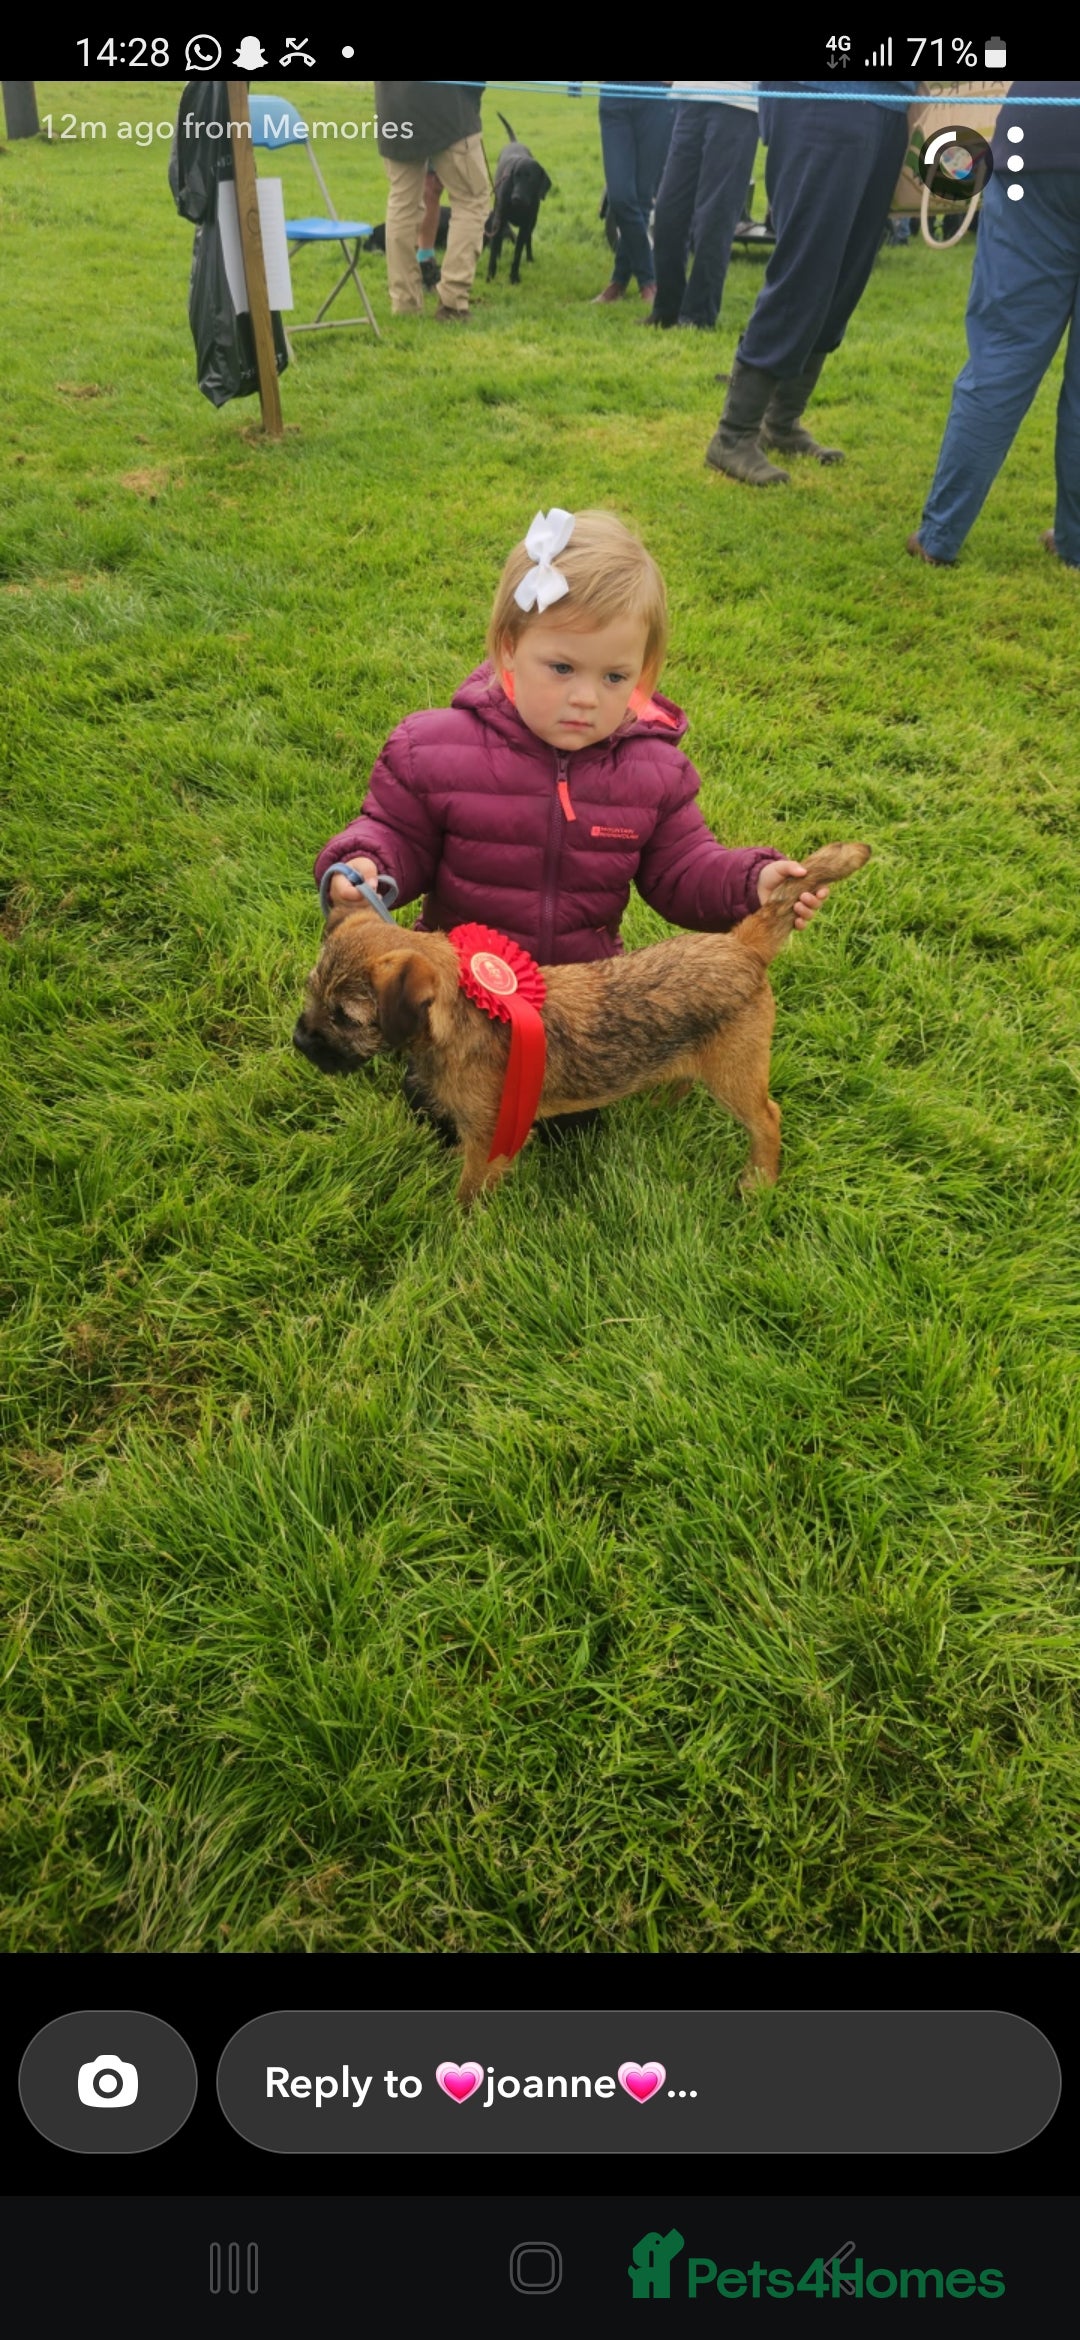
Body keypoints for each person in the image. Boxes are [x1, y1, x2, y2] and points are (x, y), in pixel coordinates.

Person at [313, 511, 831, 1135]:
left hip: (585, 1022)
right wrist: (367, 864)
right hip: (462, 1010)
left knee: (576, 1121)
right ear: (509, 648)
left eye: (614, 677)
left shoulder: (654, 773)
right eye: (562, 668)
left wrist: (750, 881)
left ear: (643, 674)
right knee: (447, 1115)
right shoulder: (433, 749)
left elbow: (684, 870)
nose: (586, 697)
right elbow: (396, 832)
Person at [704, 76, 917, 484]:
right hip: (824, 96)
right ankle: (734, 434)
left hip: (889, 104)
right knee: (806, 266)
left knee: (846, 275)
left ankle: (781, 422)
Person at [907, 80, 1080, 570]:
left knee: (1002, 352)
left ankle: (940, 535)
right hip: (1040, 145)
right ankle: (1076, 541)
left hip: (1040, 144)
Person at [646, 81, 759, 332]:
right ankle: (667, 310)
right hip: (690, 98)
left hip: (737, 104)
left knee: (714, 218)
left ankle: (698, 317)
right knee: (667, 214)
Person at [374, 82, 488, 322]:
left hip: (394, 108)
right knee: (471, 200)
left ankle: (405, 304)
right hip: (448, 111)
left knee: (402, 203)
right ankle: (452, 303)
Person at [592, 83, 674, 307]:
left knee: (641, 199)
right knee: (620, 198)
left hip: (655, 97)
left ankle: (618, 282)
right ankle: (648, 279)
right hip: (614, 96)